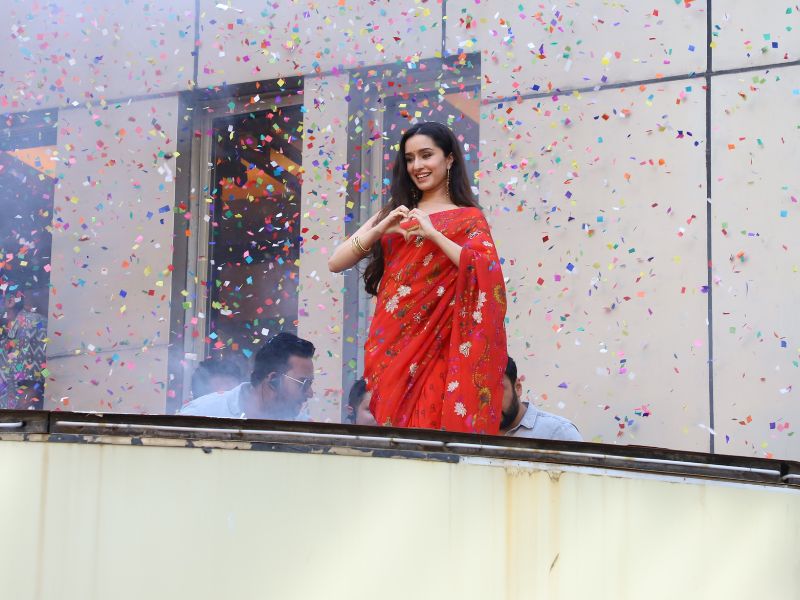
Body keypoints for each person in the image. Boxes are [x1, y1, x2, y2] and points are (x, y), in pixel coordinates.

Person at [328, 121, 507, 434]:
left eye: (426, 155)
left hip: (437, 346)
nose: (417, 166)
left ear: (449, 159)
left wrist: (434, 234)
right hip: (392, 341)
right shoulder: (395, 213)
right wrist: (380, 229)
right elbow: (335, 262)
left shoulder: (468, 218)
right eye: (410, 159)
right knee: (392, 430)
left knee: (427, 428)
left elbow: (486, 271)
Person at [179, 332, 315, 420]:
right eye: (303, 383)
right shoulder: (200, 414)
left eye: (310, 384)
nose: (310, 393)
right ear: (274, 379)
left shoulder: (303, 427)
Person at [501, 356, 582, 441]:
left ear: (517, 387)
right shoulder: (489, 433)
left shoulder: (559, 432)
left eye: (498, 391)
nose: (492, 402)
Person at [0, 288, 47, 410]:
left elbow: (35, 380)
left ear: (10, 301)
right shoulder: (4, 333)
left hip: (19, 415)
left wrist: (16, 414)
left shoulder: (34, 323)